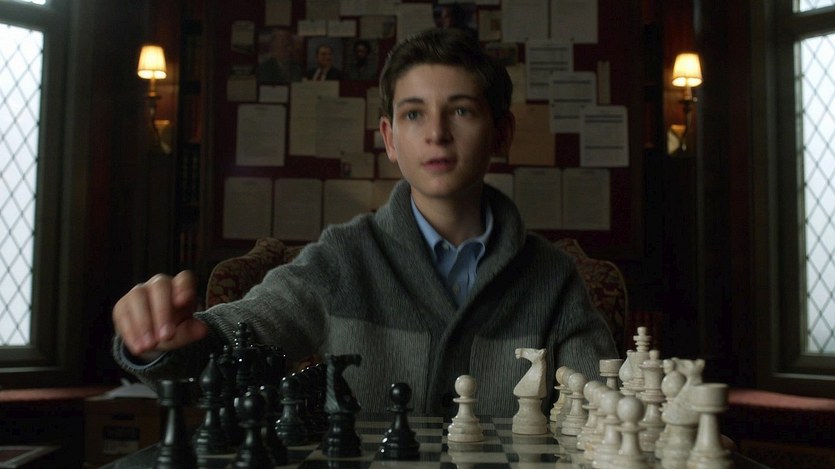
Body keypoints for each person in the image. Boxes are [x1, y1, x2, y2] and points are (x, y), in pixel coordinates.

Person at [111, 28, 618, 418]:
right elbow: (238, 338)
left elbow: (609, 408)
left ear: (501, 133)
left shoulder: (552, 278)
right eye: (414, 114)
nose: (437, 133)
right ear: (390, 139)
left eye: (461, 110)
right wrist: (172, 341)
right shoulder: (341, 259)